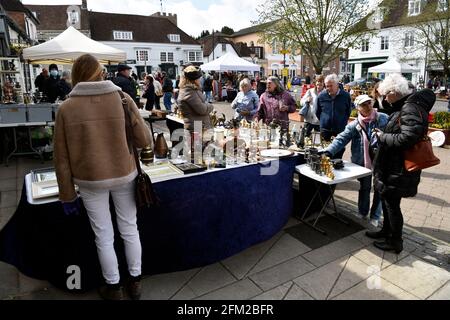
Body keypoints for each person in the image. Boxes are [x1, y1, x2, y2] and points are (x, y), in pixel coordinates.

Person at [54, 54, 151, 300]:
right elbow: (144, 140)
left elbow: (61, 158)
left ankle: (114, 287)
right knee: (129, 228)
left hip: (90, 180)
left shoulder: (66, 107)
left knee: (103, 235)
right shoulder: (122, 98)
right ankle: (136, 282)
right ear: (100, 72)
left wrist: (66, 194)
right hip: (123, 173)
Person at [368, 74, 435, 254]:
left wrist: (383, 137)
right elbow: (403, 131)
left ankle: (395, 242)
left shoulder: (410, 108)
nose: (385, 100)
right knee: (389, 202)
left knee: (392, 205)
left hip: (397, 169)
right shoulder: (406, 106)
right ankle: (386, 232)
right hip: (392, 167)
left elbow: (408, 138)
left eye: (385, 95)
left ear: (394, 92)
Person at [323, 95, 389, 227]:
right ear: (357, 108)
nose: (368, 106)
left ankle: (375, 216)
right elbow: (341, 139)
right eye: (363, 104)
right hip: (363, 163)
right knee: (364, 188)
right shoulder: (355, 124)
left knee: (379, 190)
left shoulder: (383, 118)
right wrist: (328, 151)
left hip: (381, 161)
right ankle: (363, 212)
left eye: (369, 103)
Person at [316, 73, 353, 159]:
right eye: (326, 86)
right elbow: (317, 112)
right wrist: (324, 121)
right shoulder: (321, 96)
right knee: (325, 153)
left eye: (330, 86)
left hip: (339, 130)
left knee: (338, 153)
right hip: (325, 130)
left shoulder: (345, 96)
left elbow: (348, 112)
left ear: (337, 84)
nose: (328, 88)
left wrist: (341, 122)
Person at [177, 66, 214, 132]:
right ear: (194, 80)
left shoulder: (191, 90)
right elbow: (202, 109)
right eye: (198, 78)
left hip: (197, 125)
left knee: (200, 142)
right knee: (197, 142)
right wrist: (210, 106)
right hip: (197, 126)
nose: (199, 80)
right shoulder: (189, 92)